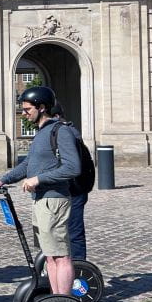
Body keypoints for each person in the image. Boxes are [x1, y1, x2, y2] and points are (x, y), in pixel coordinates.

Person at [0, 86, 80, 296]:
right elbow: (28, 164)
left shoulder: (60, 131)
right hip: (40, 201)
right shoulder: (41, 134)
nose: (24, 113)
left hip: (54, 201)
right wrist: (3, 180)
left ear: (42, 107)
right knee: (49, 254)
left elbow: (72, 167)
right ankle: (55, 299)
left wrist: (39, 179)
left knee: (61, 255)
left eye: (27, 109)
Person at [50, 104, 88, 261]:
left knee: (73, 231)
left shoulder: (66, 133)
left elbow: (70, 166)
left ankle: (79, 267)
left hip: (73, 189)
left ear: (58, 116)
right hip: (61, 190)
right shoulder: (54, 132)